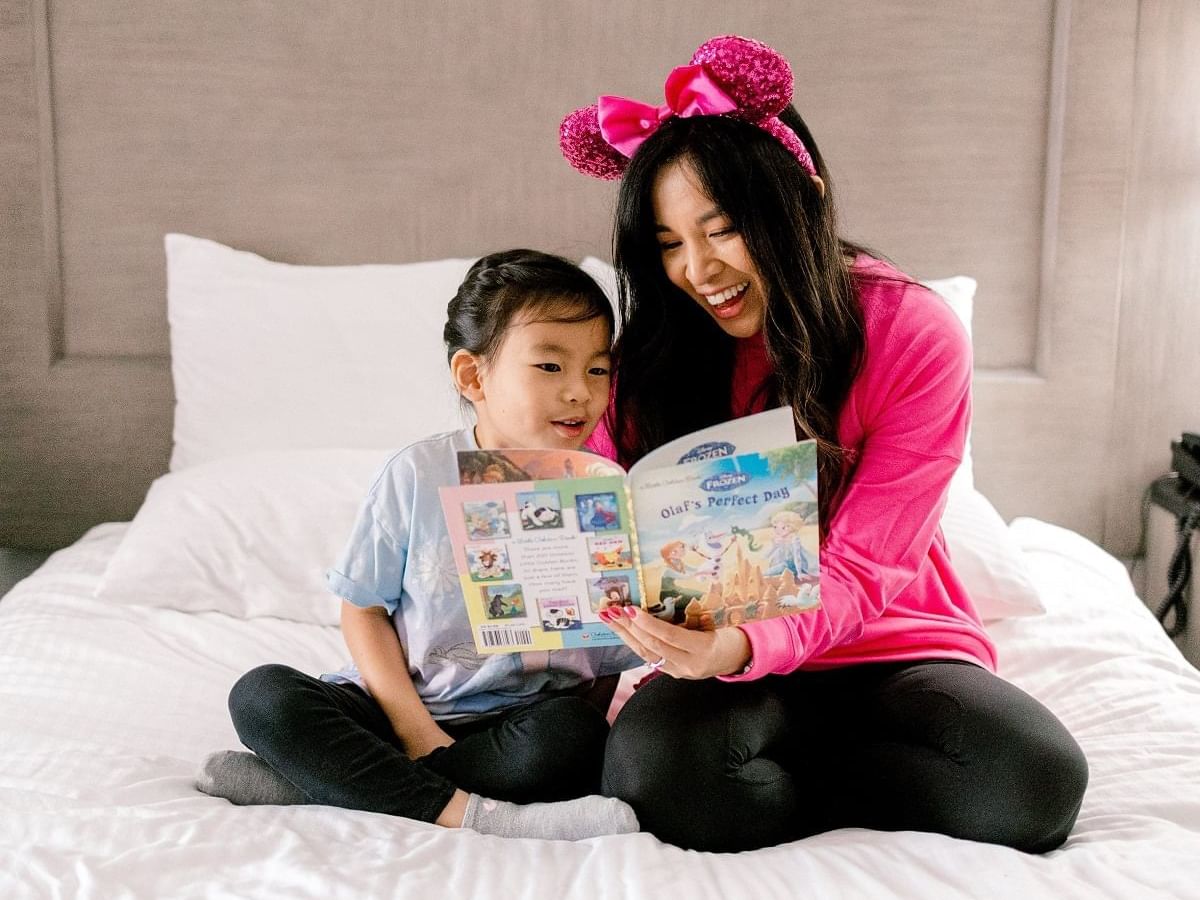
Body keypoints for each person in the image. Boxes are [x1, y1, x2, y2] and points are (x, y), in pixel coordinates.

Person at [560, 35, 1088, 853]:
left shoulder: (911, 331)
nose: (697, 270)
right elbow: (589, 514)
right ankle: (807, 774)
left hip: (892, 645)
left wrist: (744, 643)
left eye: (722, 228)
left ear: (794, 201)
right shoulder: (649, 362)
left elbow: (870, 565)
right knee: (653, 777)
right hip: (720, 663)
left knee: (1035, 786)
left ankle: (785, 778)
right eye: (667, 245)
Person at [196, 249, 640, 841]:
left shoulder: (600, 487)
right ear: (472, 375)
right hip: (400, 708)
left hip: (522, 724)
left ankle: (318, 788)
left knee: (577, 739)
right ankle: (478, 815)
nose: (579, 393)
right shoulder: (420, 472)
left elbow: (602, 664)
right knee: (262, 697)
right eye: (550, 367)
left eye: (597, 370)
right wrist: (416, 733)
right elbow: (363, 609)